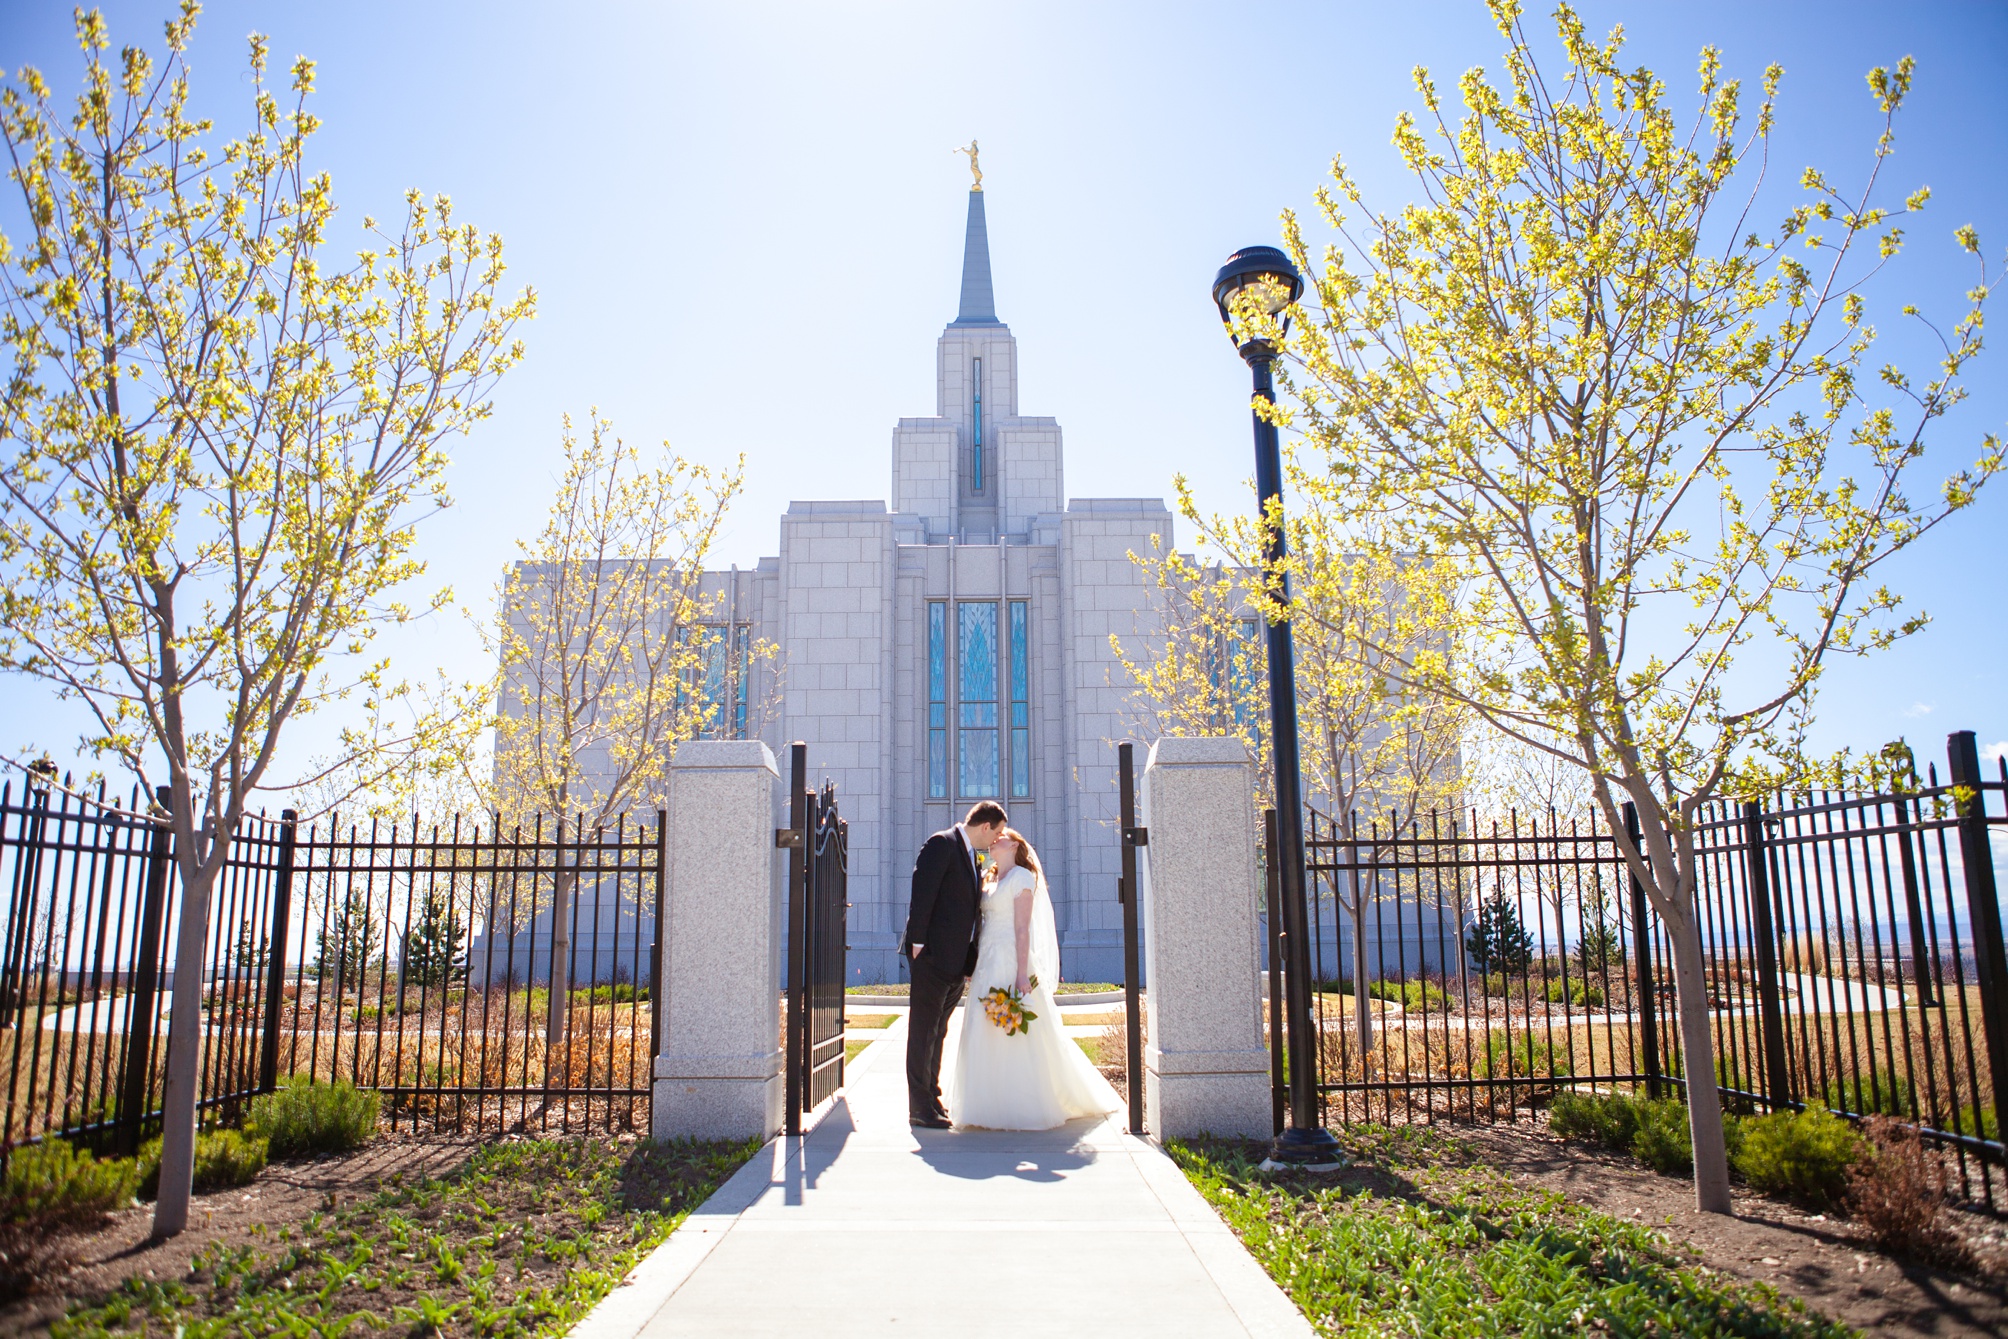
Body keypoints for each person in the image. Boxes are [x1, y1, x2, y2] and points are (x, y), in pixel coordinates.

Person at [949, 826, 1117, 1130]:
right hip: (986, 959)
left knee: (1020, 1032)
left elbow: (1023, 929)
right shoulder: (988, 879)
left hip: (1012, 957)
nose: (995, 839)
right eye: (995, 836)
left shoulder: (1023, 879)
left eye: (1002, 836)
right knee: (981, 1026)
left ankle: (1024, 1103)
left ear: (1015, 845)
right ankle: (984, 1104)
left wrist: (1021, 974)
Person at [901, 801, 1006, 1128]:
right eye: (998, 833)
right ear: (986, 826)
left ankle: (931, 1098)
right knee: (922, 1033)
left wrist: (969, 962)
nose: (997, 841)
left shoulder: (971, 857)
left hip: (954, 964)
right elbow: (922, 893)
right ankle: (919, 1108)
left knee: (938, 1032)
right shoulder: (942, 844)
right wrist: (918, 944)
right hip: (931, 958)